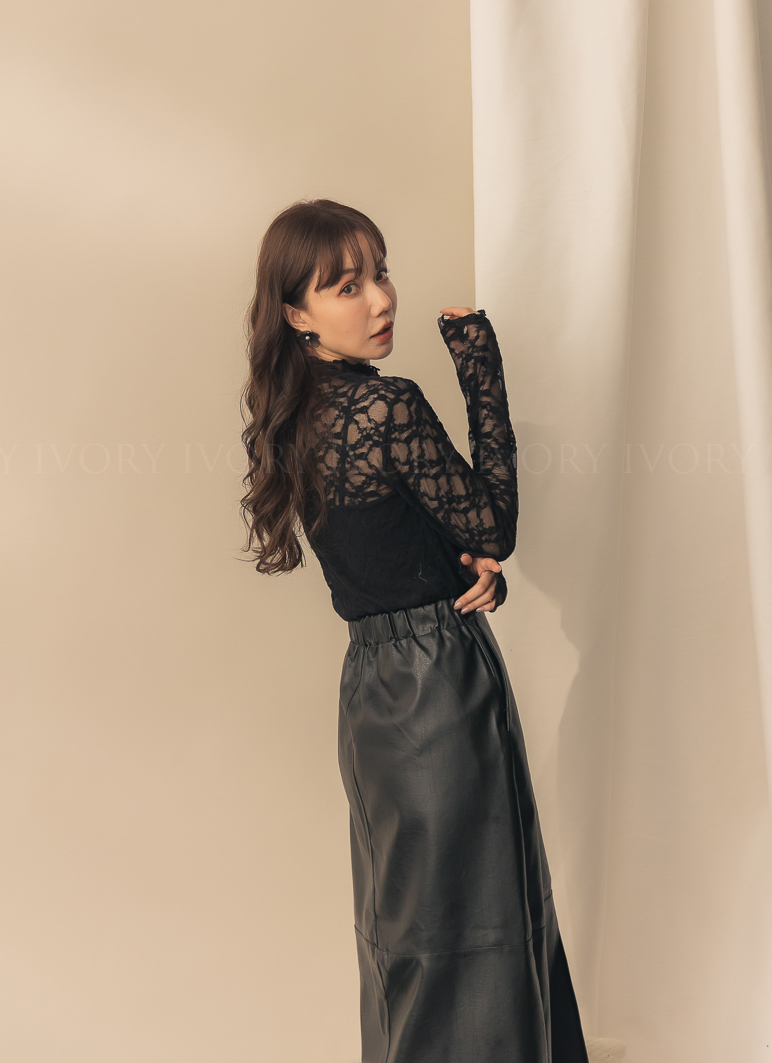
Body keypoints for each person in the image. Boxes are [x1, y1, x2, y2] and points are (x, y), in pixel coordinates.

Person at [240, 198, 589, 1063]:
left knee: (410, 930)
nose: (380, 299)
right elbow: (491, 524)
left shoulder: (296, 418)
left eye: (380, 274)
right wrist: (480, 367)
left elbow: (387, 550)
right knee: (482, 921)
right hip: (438, 685)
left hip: (372, 695)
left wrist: (461, 576)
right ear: (297, 314)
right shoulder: (386, 408)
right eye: (346, 286)